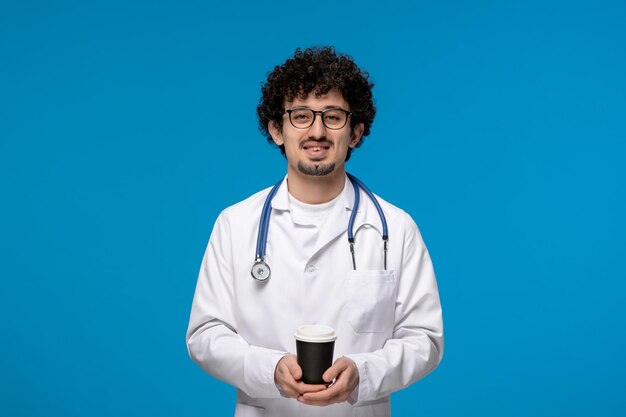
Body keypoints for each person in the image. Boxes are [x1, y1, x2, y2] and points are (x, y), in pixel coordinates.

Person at [186, 46, 443, 417]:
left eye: (333, 117)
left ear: (356, 132)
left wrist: (364, 373)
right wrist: (269, 369)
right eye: (301, 116)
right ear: (277, 129)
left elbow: (425, 339)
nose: (317, 131)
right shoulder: (235, 224)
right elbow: (205, 334)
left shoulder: (396, 229)